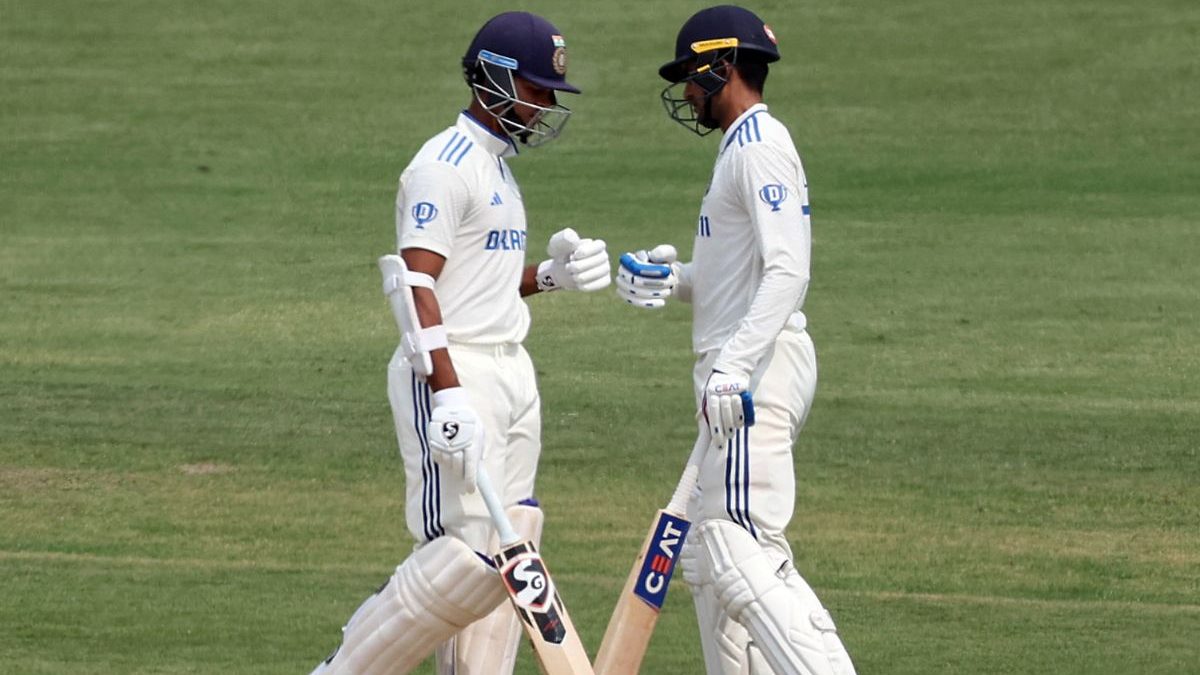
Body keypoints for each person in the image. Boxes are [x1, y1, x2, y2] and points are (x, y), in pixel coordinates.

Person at [311, 12, 610, 675]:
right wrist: (447, 392)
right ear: (493, 80)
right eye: (536, 88)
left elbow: (482, 283)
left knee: (513, 537)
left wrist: (551, 277)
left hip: (510, 367)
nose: (545, 104)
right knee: (464, 553)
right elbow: (415, 283)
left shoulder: (497, 169)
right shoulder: (442, 167)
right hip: (456, 369)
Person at [616, 6, 857, 674]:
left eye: (691, 76)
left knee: (738, 546)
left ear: (722, 66)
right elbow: (737, 275)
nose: (687, 92)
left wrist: (735, 368)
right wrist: (674, 280)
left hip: (752, 378)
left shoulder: (759, 146)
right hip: (736, 373)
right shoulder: (740, 147)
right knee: (707, 558)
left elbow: (789, 270)